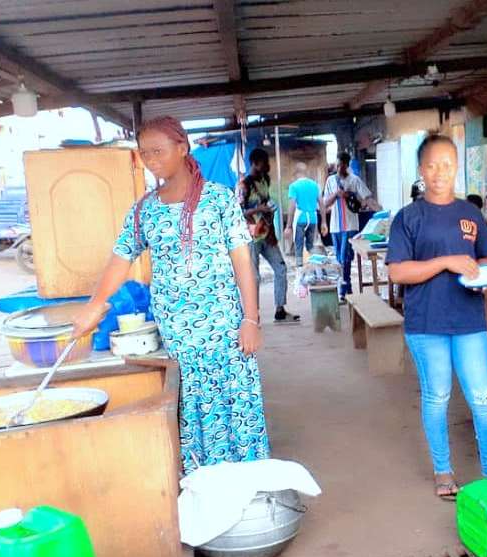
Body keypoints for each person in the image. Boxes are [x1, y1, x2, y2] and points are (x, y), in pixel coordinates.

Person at [72, 116, 271, 474]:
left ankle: (246, 482)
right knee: (193, 404)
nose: (152, 160)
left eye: (159, 151)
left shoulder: (218, 200)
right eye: (144, 153)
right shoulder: (143, 211)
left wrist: (251, 319)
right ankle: (204, 482)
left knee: (234, 400)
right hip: (179, 333)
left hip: (225, 328)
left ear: (183, 148)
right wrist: (94, 305)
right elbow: (120, 260)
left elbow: (243, 262)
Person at [387, 134, 487, 500]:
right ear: (421, 170)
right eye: (432, 165)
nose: (440, 173)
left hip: (469, 321)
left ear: (457, 168)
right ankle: (443, 470)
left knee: (483, 399)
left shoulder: (470, 213)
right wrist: (446, 262)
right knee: (437, 396)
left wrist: (484, 274)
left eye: (448, 165)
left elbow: (484, 258)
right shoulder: (409, 218)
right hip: (427, 323)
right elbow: (398, 273)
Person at [239, 148, 298, 323]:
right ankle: (253, 316)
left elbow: (267, 208)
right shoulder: (244, 185)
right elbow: (238, 212)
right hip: (250, 237)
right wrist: (258, 209)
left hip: (266, 234)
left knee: (281, 268)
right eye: (264, 163)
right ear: (255, 163)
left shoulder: (265, 180)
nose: (267, 166)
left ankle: (280, 310)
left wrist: (271, 231)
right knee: (254, 277)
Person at [321, 152, 371, 298]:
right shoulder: (331, 181)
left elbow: (365, 199)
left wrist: (351, 196)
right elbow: (325, 203)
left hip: (350, 225)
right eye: (337, 166)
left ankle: (343, 290)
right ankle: (346, 289)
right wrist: (336, 194)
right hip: (335, 226)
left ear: (347, 166)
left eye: (342, 166)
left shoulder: (354, 180)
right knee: (339, 259)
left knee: (345, 258)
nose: (339, 169)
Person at [286, 161, 321, 267]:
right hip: (313, 218)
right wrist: (324, 221)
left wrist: (288, 226)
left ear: (296, 173)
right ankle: (313, 266)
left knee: (299, 244)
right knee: (311, 245)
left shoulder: (294, 186)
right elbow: (322, 203)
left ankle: (300, 267)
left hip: (300, 218)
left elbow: (292, 206)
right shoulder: (315, 185)